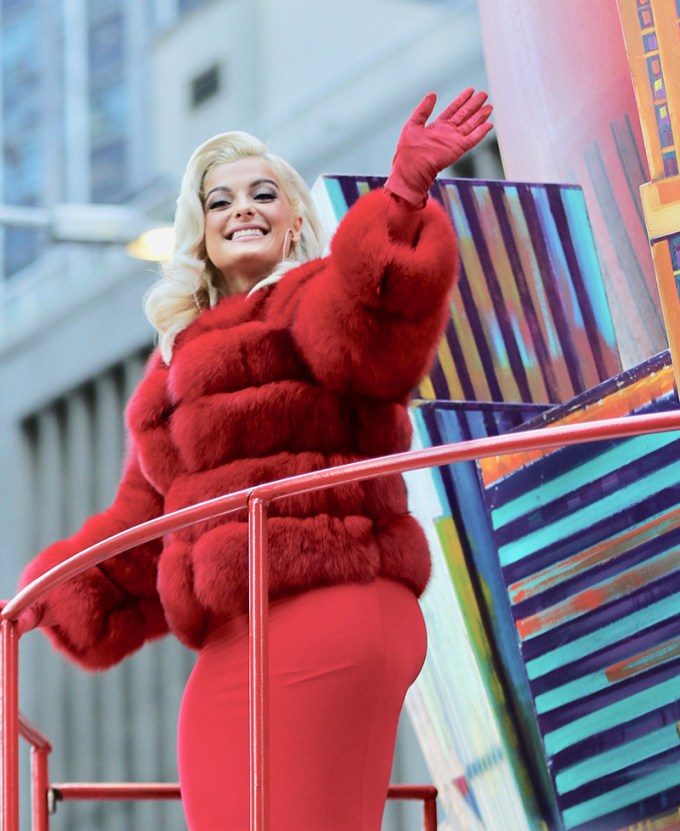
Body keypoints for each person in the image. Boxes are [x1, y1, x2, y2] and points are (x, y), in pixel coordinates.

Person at [13, 89, 492, 830]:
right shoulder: (173, 366)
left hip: (325, 598)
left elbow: (365, 326)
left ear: (295, 219)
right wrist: (55, 587)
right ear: (200, 232)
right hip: (236, 634)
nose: (243, 209)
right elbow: (147, 520)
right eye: (221, 201)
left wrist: (401, 197)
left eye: (264, 194)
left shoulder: (308, 296)